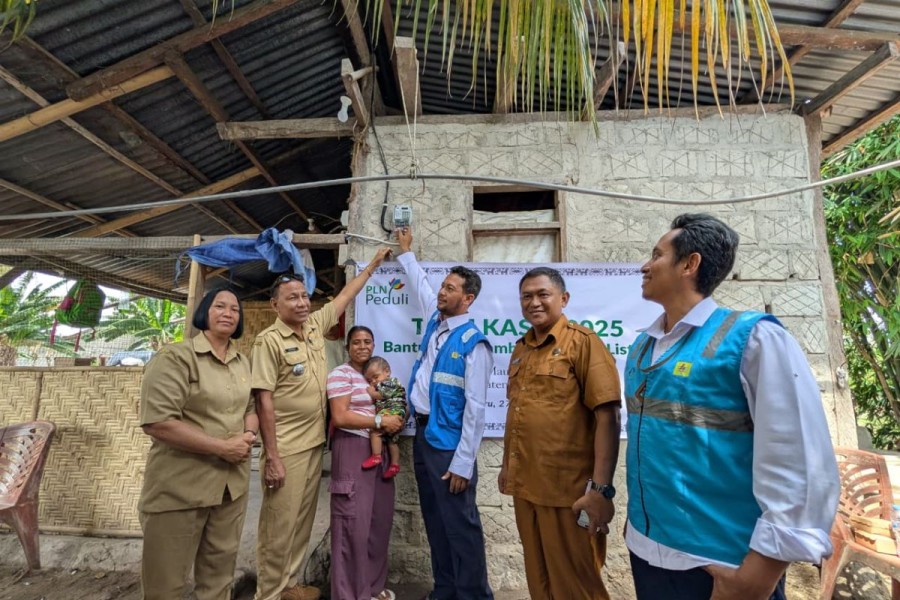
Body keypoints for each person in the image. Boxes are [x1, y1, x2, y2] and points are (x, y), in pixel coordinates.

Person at [625, 213, 840, 600]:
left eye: (656, 255)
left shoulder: (755, 339)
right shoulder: (643, 346)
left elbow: (800, 460)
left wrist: (761, 572)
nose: (645, 265)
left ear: (689, 264)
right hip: (646, 550)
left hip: (722, 565)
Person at [251, 248, 391, 600]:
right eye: (292, 298)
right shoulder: (268, 342)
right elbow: (263, 400)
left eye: (304, 296)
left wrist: (373, 265)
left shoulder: (313, 326)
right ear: (275, 305)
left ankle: (290, 585)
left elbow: (345, 296)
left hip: (314, 444)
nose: (301, 303)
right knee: (278, 525)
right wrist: (272, 456)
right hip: (286, 447)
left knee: (301, 521)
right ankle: (268, 593)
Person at [499, 267, 622, 599]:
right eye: (527, 296)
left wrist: (600, 490)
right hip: (526, 486)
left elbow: (608, 416)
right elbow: (518, 411)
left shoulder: (583, 343)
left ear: (563, 299)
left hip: (568, 491)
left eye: (543, 294)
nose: (534, 303)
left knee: (576, 584)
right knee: (539, 579)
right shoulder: (522, 348)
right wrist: (507, 466)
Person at [395, 226, 494, 600]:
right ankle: (445, 591)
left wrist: (463, 463)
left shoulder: (474, 344)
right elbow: (421, 288)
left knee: (461, 527)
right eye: (443, 286)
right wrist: (406, 252)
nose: (441, 292)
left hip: (450, 449)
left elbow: (477, 410)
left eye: (450, 289)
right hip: (424, 436)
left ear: (467, 299)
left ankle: (473, 596)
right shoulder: (435, 324)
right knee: (436, 522)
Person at [138, 288, 256, 600]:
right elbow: (157, 422)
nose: (228, 313)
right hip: (181, 488)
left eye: (235, 309)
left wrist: (249, 435)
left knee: (219, 579)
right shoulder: (176, 357)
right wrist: (222, 448)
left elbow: (250, 408)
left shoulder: (242, 363)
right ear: (204, 312)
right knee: (165, 585)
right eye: (220, 306)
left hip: (230, 488)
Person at [326, 326, 405, 600]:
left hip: (380, 450)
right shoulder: (341, 374)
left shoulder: (378, 374)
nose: (362, 346)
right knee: (352, 525)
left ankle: (373, 588)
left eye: (367, 342)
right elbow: (340, 417)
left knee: (378, 523)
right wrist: (380, 421)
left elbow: (397, 401)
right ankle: (349, 594)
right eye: (356, 342)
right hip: (353, 448)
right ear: (347, 347)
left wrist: (397, 419)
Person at [362, 355, 409, 478]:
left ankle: (376, 456)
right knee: (392, 441)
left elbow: (382, 395)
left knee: (374, 431)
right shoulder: (384, 383)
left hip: (392, 411)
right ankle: (394, 465)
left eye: (376, 377)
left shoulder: (389, 383)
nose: (373, 381)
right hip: (395, 413)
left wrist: (371, 392)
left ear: (387, 371)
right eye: (370, 380)